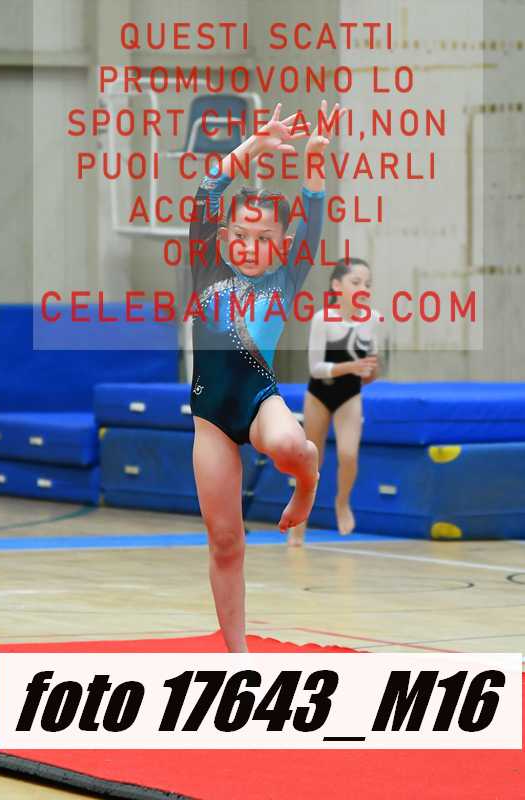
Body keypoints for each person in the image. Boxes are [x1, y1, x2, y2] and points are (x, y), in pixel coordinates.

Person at [189, 101, 344, 651]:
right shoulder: (206, 266)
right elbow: (208, 189)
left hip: (259, 400)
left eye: (263, 237)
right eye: (240, 234)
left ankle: (308, 479)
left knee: (287, 444)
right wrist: (252, 146)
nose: (250, 246)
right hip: (211, 418)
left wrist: (314, 164)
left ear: (280, 243)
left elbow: (313, 219)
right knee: (225, 541)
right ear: (224, 236)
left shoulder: (286, 277)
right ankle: (239, 658)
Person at [287, 258, 379, 546]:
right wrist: (350, 367)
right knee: (311, 464)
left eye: (367, 284)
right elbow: (315, 368)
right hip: (319, 396)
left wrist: (370, 371)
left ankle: (342, 501)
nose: (363, 288)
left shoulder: (372, 319)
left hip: (349, 396)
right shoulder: (322, 319)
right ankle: (299, 520)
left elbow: (370, 368)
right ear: (337, 286)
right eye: (356, 282)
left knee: (348, 455)